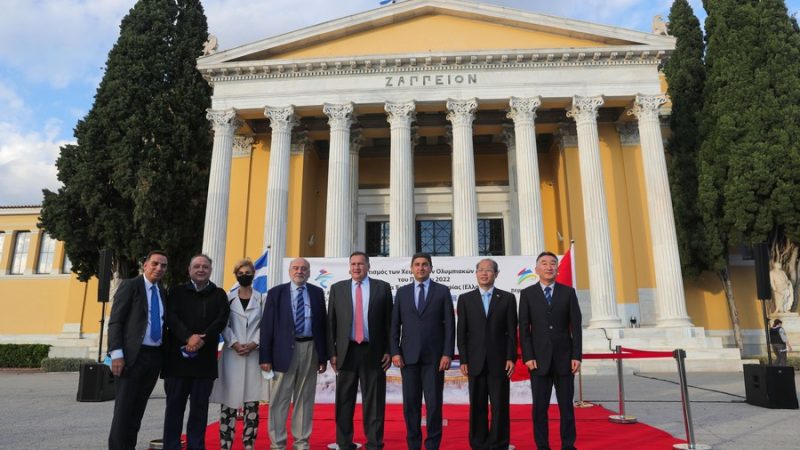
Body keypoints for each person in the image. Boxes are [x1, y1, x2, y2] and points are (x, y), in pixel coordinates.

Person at [162, 254, 231, 450]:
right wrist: (188, 337)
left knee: (199, 410)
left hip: (204, 362)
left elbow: (221, 319)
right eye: (197, 266)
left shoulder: (219, 294)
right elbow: (171, 318)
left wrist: (202, 338)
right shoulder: (176, 292)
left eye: (205, 266)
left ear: (210, 270)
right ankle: (171, 445)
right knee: (174, 408)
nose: (201, 269)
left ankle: (196, 445)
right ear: (189, 269)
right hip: (177, 362)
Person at [260, 257, 328, 450]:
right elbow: (267, 326)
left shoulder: (316, 292)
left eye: (304, 268)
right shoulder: (276, 293)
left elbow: (321, 325)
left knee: (305, 399)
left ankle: (301, 443)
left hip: (310, 348)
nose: (300, 271)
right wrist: (265, 356)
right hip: (282, 351)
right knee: (279, 399)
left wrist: (322, 356)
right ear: (290, 271)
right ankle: (277, 444)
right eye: (296, 268)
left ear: (309, 272)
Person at [327, 251, 394, 450]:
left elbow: (390, 324)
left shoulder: (382, 288)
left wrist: (389, 350)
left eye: (361, 264)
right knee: (344, 401)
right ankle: (344, 442)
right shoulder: (337, 289)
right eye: (354, 264)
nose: (357, 267)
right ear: (349, 267)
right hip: (346, 353)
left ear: (368, 266)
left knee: (373, 402)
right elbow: (331, 323)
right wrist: (332, 353)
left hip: (373, 352)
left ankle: (374, 443)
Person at [391, 252, 455, 450]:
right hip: (408, 358)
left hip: (435, 359)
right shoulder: (402, 293)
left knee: (434, 404)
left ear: (431, 268)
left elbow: (450, 326)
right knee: (411, 405)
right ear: (411, 268)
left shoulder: (442, 291)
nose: (421, 268)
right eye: (417, 264)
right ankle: (414, 444)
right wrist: (394, 351)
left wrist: (447, 353)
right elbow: (394, 325)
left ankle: (433, 445)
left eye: (425, 264)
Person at [519, 251, 582, 450]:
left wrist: (576, 356)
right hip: (538, 360)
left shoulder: (568, 292)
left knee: (566, 408)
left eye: (552, 263)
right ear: (537, 269)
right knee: (539, 409)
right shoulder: (528, 294)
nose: (548, 267)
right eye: (544, 263)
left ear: (557, 268)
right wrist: (527, 356)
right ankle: (542, 446)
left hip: (565, 360)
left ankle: (568, 445)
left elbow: (576, 326)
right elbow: (524, 328)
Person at [107, 250, 169, 450]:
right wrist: (116, 354)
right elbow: (116, 321)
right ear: (145, 265)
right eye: (155, 264)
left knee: (137, 412)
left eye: (163, 265)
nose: (159, 268)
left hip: (153, 358)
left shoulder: (162, 291)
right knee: (124, 411)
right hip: (131, 358)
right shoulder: (130, 286)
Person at [457, 258, 517, 450]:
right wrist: (464, 359)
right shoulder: (466, 299)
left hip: (499, 361)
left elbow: (511, 332)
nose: (484, 273)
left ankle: (498, 443)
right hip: (475, 361)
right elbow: (462, 332)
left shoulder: (507, 298)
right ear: (476, 274)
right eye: (481, 270)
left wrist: (510, 357)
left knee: (500, 405)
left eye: (489, 270)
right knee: (477, 405)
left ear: (496, 274)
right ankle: (478, 443)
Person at [209, 259, 265, 450]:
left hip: (253, 354)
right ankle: (226, 444)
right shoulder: (228, 297)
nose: (244, 276)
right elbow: (222, 323)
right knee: (228, 403)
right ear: (235, 275)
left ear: (253, 274)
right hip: (232, 355)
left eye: (247, 272)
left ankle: (248, 444)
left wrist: (253, 343)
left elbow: (265, 324)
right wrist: (234, 343)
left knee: (252, 404)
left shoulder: (261, 298)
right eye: (240, 273)